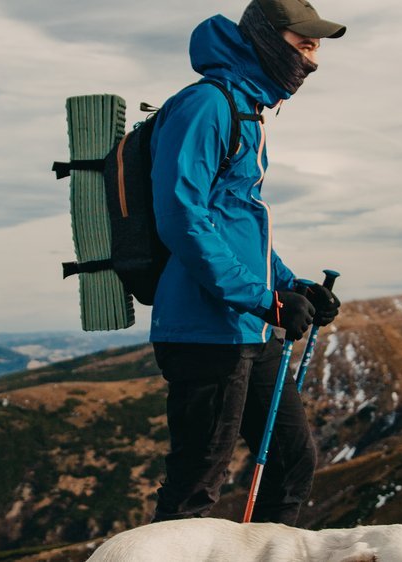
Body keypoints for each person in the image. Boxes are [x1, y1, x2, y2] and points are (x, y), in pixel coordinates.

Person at [148, 0, 345, 525]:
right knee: (195, 488)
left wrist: (293, 286)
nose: (314, 57)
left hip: (248, 330)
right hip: (204, 331)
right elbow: (182, 219)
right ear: (264, 37)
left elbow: (238, 226)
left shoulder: (247, 112)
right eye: (303, 42)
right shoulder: (206, 106)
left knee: (290, 464)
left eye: (317, 45)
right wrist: (265, 299)